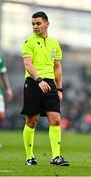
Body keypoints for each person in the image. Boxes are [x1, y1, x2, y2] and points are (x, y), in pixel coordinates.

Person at [21, 11, 69, 166]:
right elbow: (28, 64)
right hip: (34, 82)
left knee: (56, 120)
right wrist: (39, 80)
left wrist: (60, 89)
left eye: (38, 23)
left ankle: (56, 157)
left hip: (50, 84)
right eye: (33, 24)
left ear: (47, 24)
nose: (35, 26)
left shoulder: (54, 43)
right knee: (32, 121)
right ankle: (30, 157)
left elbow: (57, 67)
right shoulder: (29, 42)